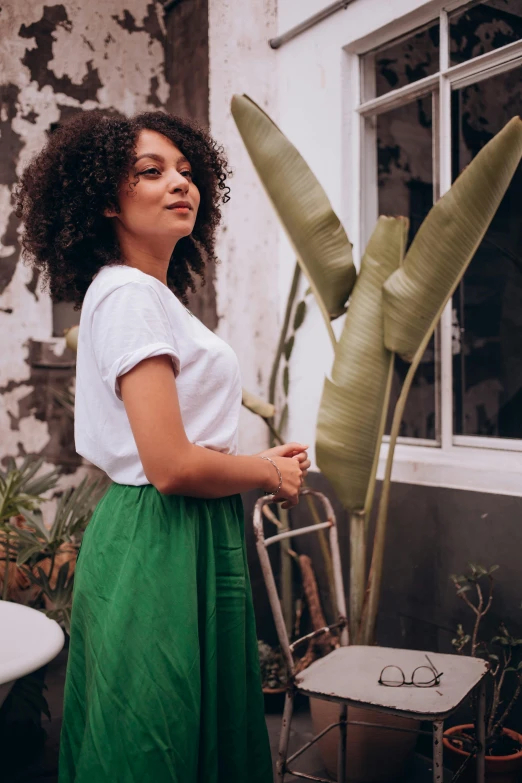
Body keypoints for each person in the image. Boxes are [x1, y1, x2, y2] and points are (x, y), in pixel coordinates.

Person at [15, 109, 310, 783]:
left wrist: (257, 465)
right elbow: (171, 464)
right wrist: (263, 470)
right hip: (161, 533)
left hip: (181, 530)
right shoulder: (127, 297)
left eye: (186, 170)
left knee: (181, 728)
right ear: (104, 200)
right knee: (153, 737)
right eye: (151, 172)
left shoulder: (145, 295)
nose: (179, 183)